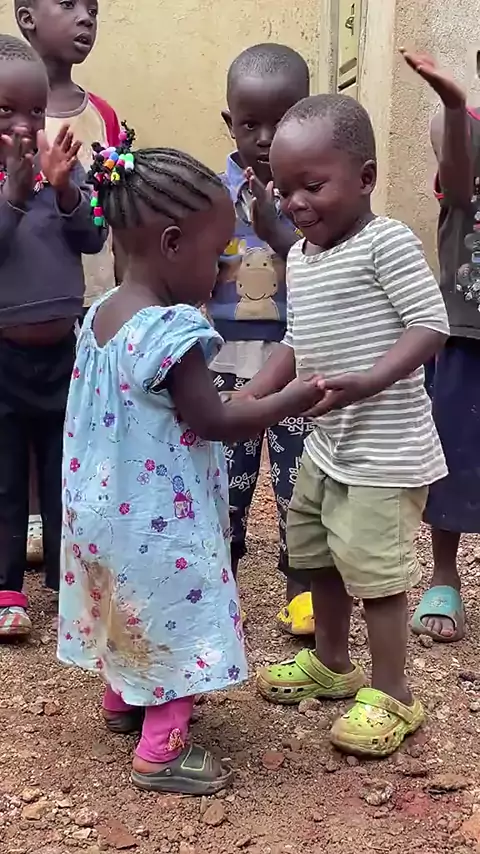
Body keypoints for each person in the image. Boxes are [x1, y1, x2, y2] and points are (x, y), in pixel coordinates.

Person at [57, 134, 326, 794]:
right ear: (174, 244)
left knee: (126, 604)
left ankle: (123, 699)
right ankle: (162, 748)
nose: (224, 268)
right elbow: (213, 422)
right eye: (218, 254)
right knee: (174, 609)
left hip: (100, 511)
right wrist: (291, 398)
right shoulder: (170, 329)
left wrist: (255, 390)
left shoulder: (102, 315)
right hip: (157, 522)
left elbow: (177, 409)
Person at [245, 93, 450, 757]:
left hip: (384, 454)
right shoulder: (304, 257)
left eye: (313, 186)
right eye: (285, 191)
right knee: (318, 557)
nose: (296, 203)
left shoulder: (386, 242)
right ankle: (333, 663)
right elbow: (296, 341)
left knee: (378, 577)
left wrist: (368, 380)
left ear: (365, 178)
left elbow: (430, 326)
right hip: (327, 447)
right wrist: (254, 392)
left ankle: (394, 694)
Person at [0, 35, 106, 639]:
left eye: (35, 111)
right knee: (7, 477)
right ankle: (7, 590)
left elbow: (92, 237)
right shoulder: (11, 180)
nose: (23, 125)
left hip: (64, 351)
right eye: (6, 110)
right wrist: (15, 194)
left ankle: (69, 587)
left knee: (68, 470)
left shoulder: (60, 165)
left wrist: (66, 191)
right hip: (4, 355)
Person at [208, 43, 314, 635]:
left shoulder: (319, 192)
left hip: (296, 359)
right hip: (225, 362)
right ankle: (217, 592)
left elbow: (332, 265)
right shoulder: (211, 195)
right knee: (226, 483)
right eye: (251, 124)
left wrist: (281, 233)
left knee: (300, 484)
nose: (267, 138)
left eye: (283, 120)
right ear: (230, 122)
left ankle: (301, 592)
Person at [14, 0, 121, 566]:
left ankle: (69, 523)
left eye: (93, 9)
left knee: (74, 418)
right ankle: (28, 520)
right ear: (27, 17)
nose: (85, 18)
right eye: (68, 4)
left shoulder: (101, 115)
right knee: (18, 420)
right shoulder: (9, 118)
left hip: (88, 296)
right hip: (18, 306)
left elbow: (112, 207)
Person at [402, 50, 480, 643]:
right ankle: (445, 575)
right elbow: (456, 183)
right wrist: (453, 104)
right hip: (467, 333)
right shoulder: (459, 126)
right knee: (452, 457)